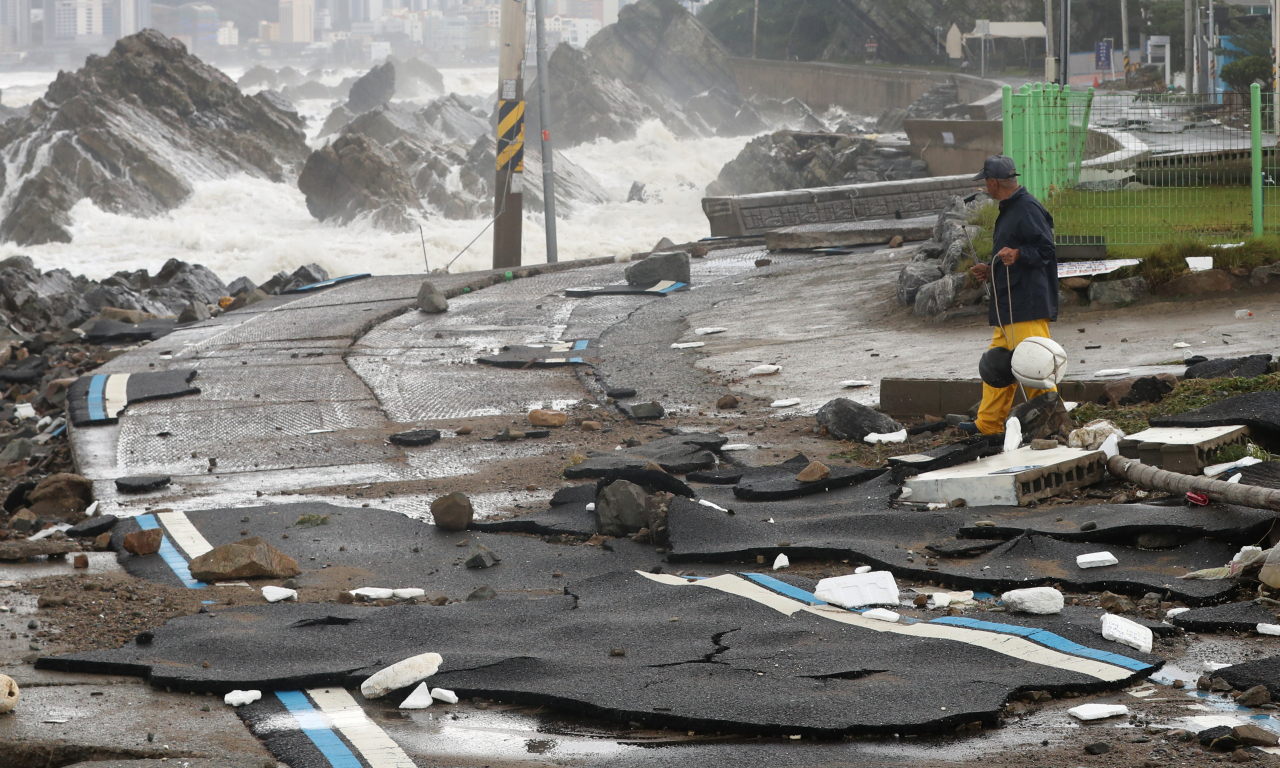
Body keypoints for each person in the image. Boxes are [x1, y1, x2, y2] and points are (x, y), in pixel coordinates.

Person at [960, 155, 1058, 437]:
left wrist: (1018, 254)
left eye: (985, 183)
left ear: (993, 183)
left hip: (1025, 305)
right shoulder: (1011, 208)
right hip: (1008, 306)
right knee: (996, 365)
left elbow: (1046, 249)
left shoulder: (1027, 208)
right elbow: (1014, 256)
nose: (985, 188)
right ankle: (988, 425)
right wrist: (991, 270)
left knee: (1033, 364)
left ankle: (1053, 423)